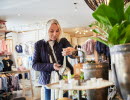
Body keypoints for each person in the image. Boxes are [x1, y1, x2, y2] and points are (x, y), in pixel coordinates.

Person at [32, 19, 75, 100]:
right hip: (47, 82)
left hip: (63, 80)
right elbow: (35, 65)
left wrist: (72, 52)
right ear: (46, 31)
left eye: (57, 31)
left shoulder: (63, 41)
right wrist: (51, 66)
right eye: (51, 31)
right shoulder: (39, 44)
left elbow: (73, 55)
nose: (55, 34)